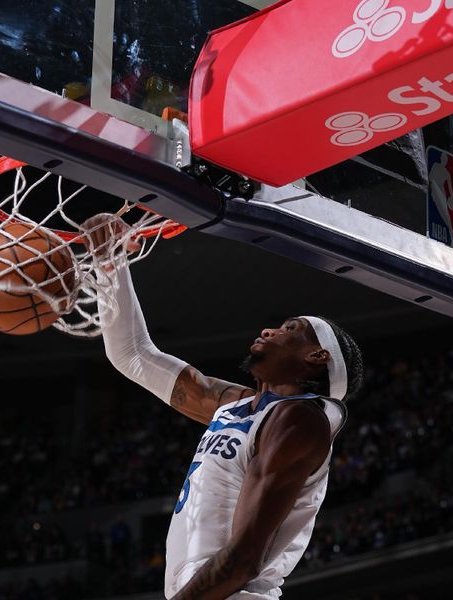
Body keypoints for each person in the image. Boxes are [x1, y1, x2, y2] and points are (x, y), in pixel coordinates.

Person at [85, 215, 364, 600]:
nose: (269, 330)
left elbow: (245, 558)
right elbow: (132, 354)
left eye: (291, 329)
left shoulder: (301, 419)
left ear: (317, 355)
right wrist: (108, 261)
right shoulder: (239, 407)